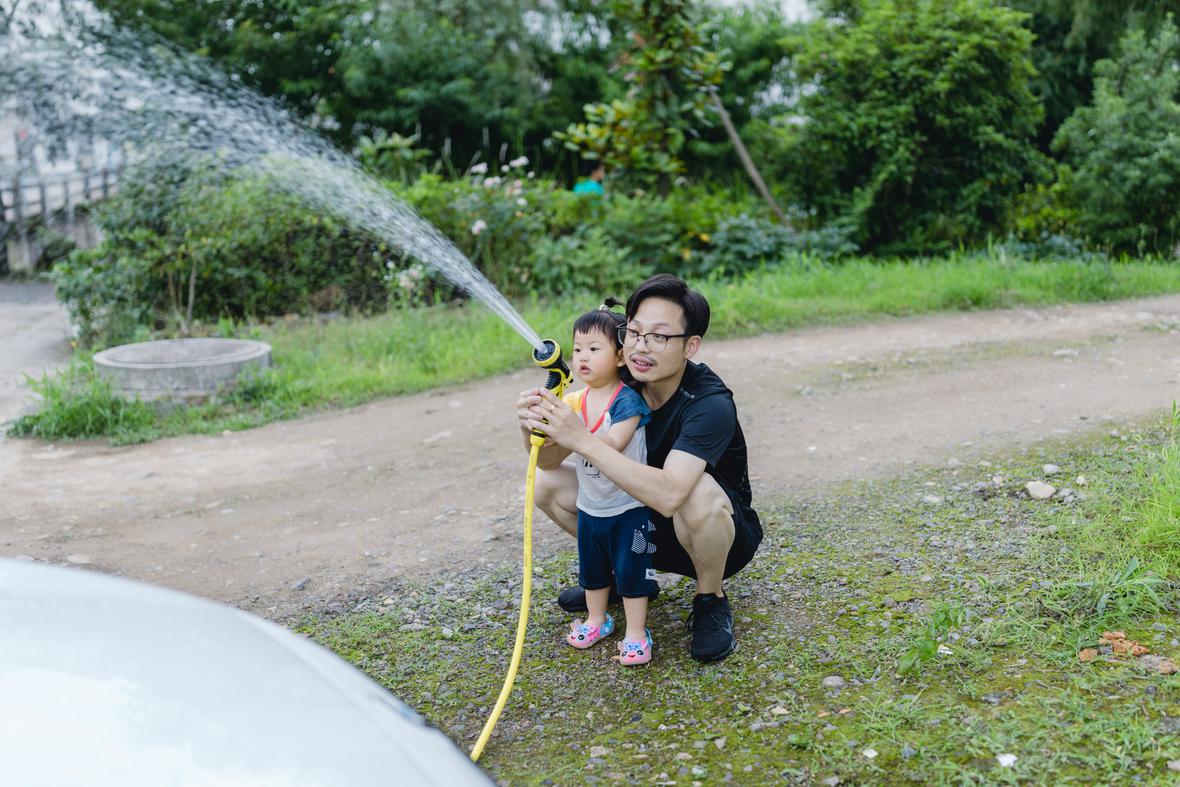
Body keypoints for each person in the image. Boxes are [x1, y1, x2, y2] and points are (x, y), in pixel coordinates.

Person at [516, 274, 761, 663]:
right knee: (545, 484)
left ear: (691, 345)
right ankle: (621, 576)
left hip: (710, 534)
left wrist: (581, 439)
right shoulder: (618, 380)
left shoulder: (709, 402)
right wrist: (535, 428)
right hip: (635, 527)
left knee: (697, 492)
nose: (641, 347)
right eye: (633, 333)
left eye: (659, 336)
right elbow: (548, 461)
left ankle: (710, 598)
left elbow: (670, 495)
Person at [541, 301, 656, 665]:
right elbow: (551, 447)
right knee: (592, 570)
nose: (582, 357)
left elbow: (612, 445)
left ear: (621, 357)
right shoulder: (576, 401)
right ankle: (596, 619)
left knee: (632, 572)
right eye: (577, 349)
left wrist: (572, 432)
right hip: (591, 506)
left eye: (594, 348)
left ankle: (636, 632)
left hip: (628, 509)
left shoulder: (627, 403)